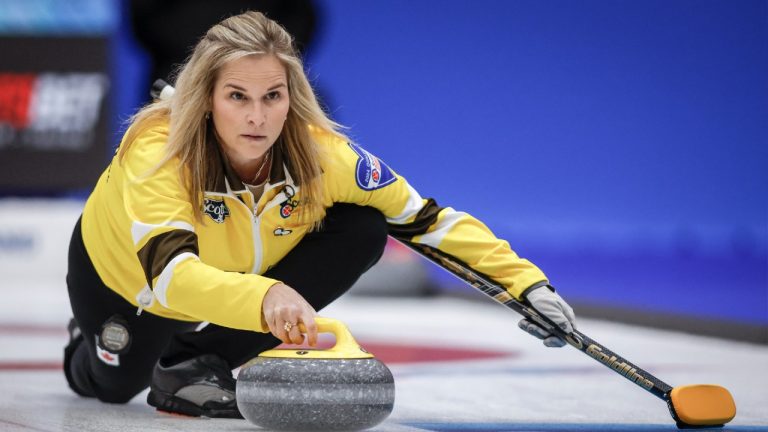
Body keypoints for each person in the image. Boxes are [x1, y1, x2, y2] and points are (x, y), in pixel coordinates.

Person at [63, 11, 577, 418]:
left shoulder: (324, 155)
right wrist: (270, 295)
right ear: (206, 100)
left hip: (231, 284)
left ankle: (198, 359)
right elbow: (172, 280)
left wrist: (528, 287)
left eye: (273, 96)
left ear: (293, 99)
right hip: (125, 282)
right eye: (237, 96)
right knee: (113, 386)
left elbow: (427, 221)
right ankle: (84, 346)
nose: (257, 117)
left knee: (363, 228)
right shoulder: (160, 154)